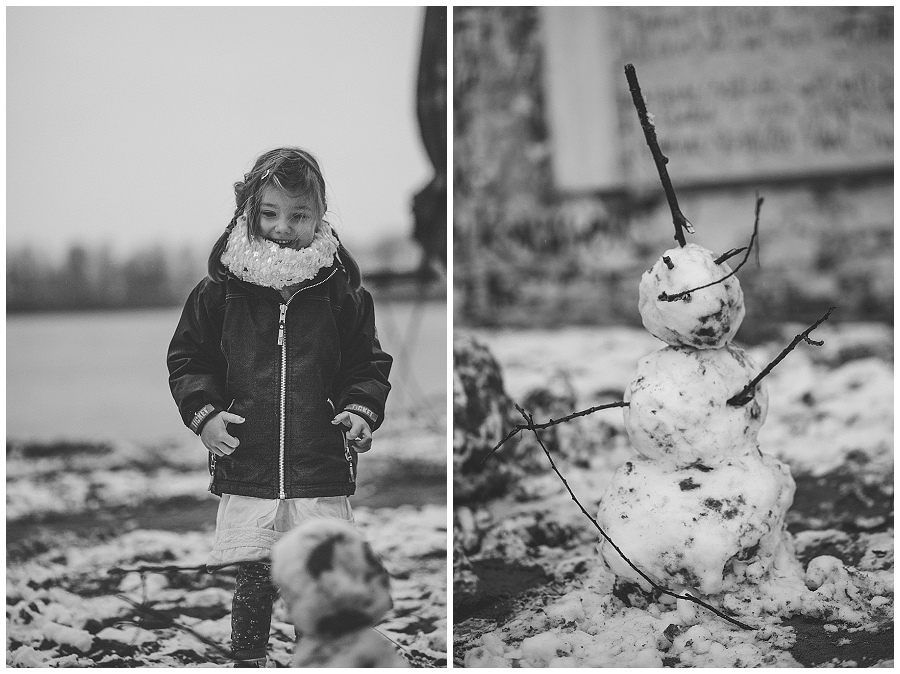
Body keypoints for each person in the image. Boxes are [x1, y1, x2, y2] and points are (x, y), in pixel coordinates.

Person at [167, 147, 392, 667]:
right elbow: (187, 358)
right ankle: (247, 659)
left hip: (318, 461)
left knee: (317, 573)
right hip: (250, 459)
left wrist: (360, 409)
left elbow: (367, 363)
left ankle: (314, 657)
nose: (283, 227)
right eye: (269, 213)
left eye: (298, 215)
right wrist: (205, 414)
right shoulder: (221, 289)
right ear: (249, 211)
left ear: (320, 215)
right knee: (256, 573)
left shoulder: (340, 291)